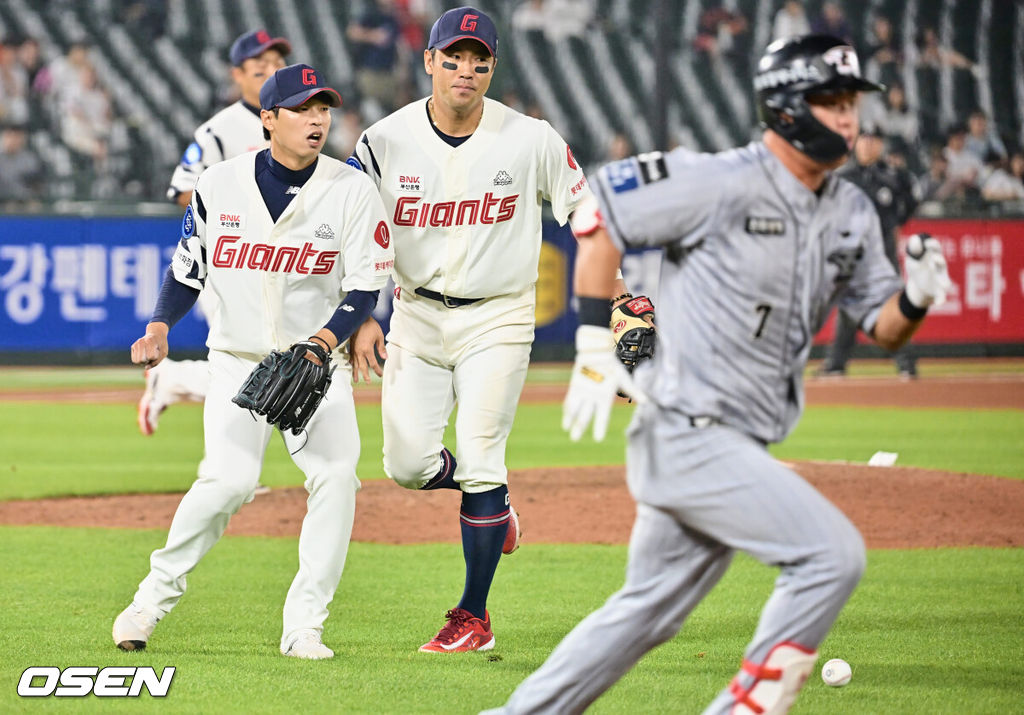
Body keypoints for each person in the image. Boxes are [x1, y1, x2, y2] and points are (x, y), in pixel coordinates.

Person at [487, 34, 951, 714]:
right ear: (788, 106)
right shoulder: (720, 178)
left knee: (647, 612)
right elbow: (598, 214)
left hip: (737, 442)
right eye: (832, 101)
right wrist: (592, 339)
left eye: (853, 103)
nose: (850, 119)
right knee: (832, 556)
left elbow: (882, 327)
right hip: (687, 431)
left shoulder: (850, 210)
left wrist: (917, 298)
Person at [112, 63, 395, 660]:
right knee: (229, 481)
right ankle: (149, 601)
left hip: (317, 363)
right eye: (301, 109)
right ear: (268, 119)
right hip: (238, 361)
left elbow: (364, 289)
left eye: (323, 108)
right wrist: (160, 325)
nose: (317, 119)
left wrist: (322, 343)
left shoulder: (350, 189)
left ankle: (304, 627)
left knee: (337, 477)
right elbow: (188, 270)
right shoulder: (220, 183)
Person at [345, 6, 590, 653]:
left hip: (500, 315)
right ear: (427, 61)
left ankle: (472, 616)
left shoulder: (530, 138)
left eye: (478, 60)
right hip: (415, 314)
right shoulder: (383, 141)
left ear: (491, 69)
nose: (465, 70)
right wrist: (360, 312)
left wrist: (615, 298)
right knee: (406, 462)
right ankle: (493, 503)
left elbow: (588, 216)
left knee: (483, 455)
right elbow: (348, 228)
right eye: (452, 57)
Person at [138, 29, 291, 437]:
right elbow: (182, 190)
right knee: (249, 364)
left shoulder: (293, 121)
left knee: (267, 362)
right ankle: (233, 468)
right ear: (237, 75)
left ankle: (174, 381)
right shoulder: (218, 130)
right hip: (224, 264)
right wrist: (238, 208)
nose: (271, 74)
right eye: (260, 69)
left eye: (278, 66)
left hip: (271, 265)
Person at [821, 128, 921, 378]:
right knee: (848, 305)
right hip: (851, 248)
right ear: (856, 144)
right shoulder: (843, 177)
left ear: (880, 145)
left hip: (883, 247)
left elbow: (911, 200)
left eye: (873, 141)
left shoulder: (892, 176)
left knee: (894, 304)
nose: (867, 145)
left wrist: (898, 220)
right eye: (864, 140)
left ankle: (906, 364)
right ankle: (836, 364)